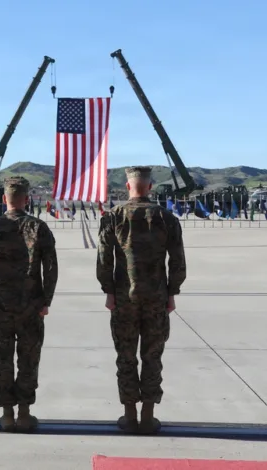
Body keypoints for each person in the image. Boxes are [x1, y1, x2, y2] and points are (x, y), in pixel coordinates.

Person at [96, 166, 186, 435]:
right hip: (156, 297)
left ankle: (129, 415)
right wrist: (172, 293)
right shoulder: (166, 218)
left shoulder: (113, 217)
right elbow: (178, 261)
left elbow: (104, 259)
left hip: (124, 298)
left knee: (126, 356)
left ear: (128, 186)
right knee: (152, 355)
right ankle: (148, 415)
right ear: (150, 186)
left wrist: (109, 291)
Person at [0, 176, 58, 433]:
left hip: (0, 307)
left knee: (3, 361)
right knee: (29, 361)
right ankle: (24, 413)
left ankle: (7, 414)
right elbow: (50, 268)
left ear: (4, 199)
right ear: (26, 199)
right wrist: (46, 300)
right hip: (31, 307)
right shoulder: (38, 227)